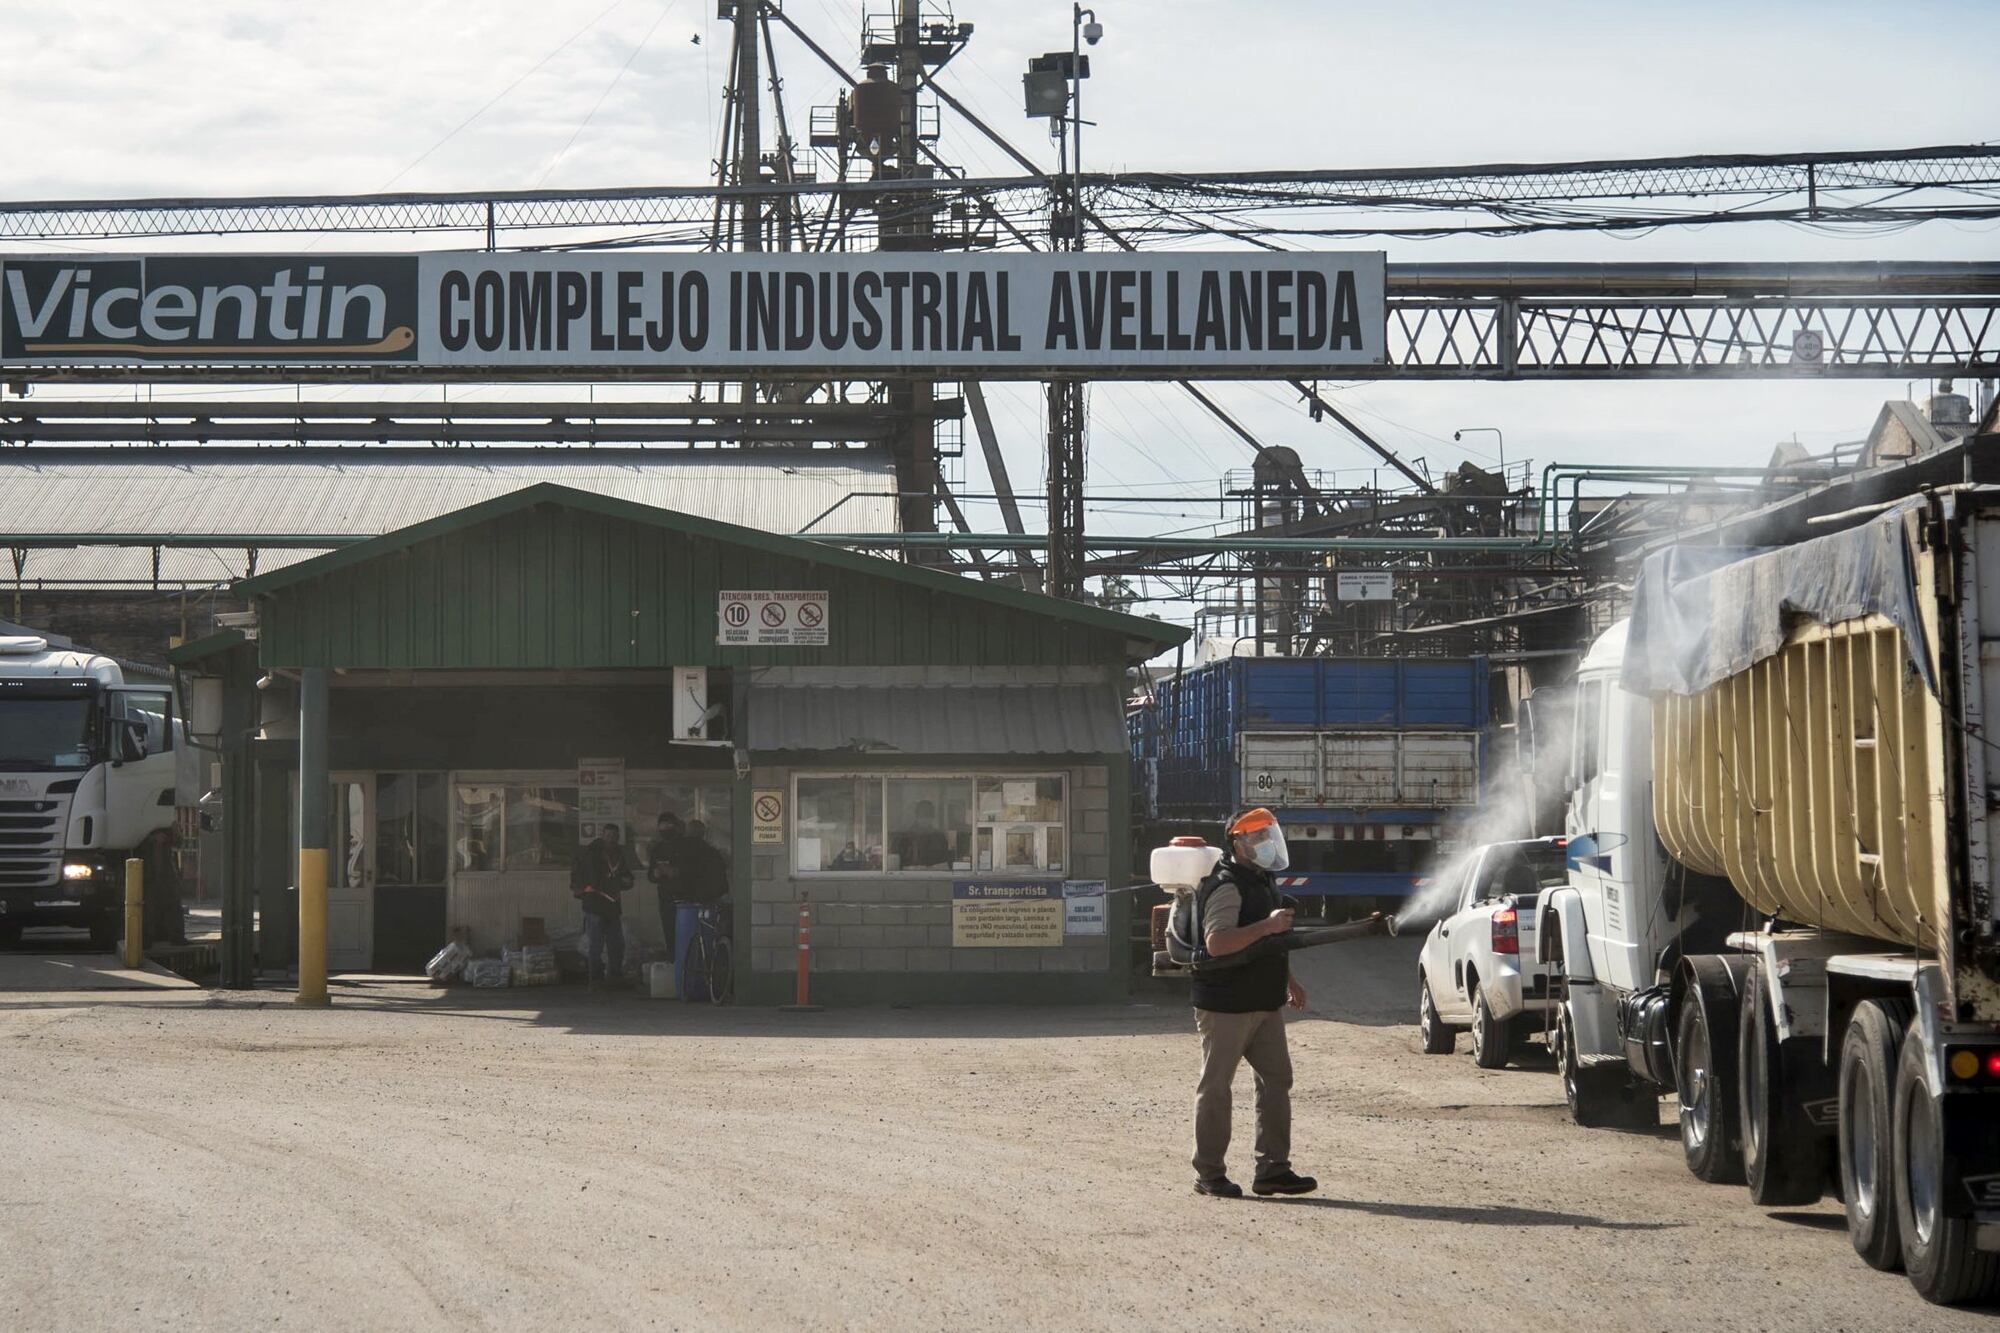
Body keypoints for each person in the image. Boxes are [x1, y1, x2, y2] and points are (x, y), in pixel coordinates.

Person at [1188, 807, 1317, 1199]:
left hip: (1263, 1001)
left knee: (1276, 1080)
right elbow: (1218, 942)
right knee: (1216, 1088)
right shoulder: (1228, 885)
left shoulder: (1262, 880)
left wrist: (1289, 980)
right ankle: (1209, 1173)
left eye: (1267, 836)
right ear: (1237, 843)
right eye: (1256, 837)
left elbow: (1270, 943)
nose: (1264, 844)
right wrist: (1269, 925)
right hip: (1226, 1004)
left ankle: (1273, 1170)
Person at [572, 822, 634, 989]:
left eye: (614, 837)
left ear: (618, 838)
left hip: (612, 906)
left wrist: (625, 882)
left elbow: (626, 877)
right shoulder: (592, 854)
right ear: (602, 836)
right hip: (595, 905)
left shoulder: (619, 855)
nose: (611, 840)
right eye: (608, 836)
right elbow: (594, 880)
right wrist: (617, 882)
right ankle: (596, 979)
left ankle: (614, 976)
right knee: (596, 946)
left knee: (617, 945)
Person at [647, 812, 687, 960]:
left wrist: (677, 872)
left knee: (687, 935)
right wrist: (655, 874)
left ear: (676, 827)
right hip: (666, 900)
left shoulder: (686, 846)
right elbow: (650, 875)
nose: (665, 829)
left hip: (687, 899)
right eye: (662, 826)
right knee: (670, 936)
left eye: (669, 825)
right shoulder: (657, 849)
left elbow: (695, 870)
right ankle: (673, 966)